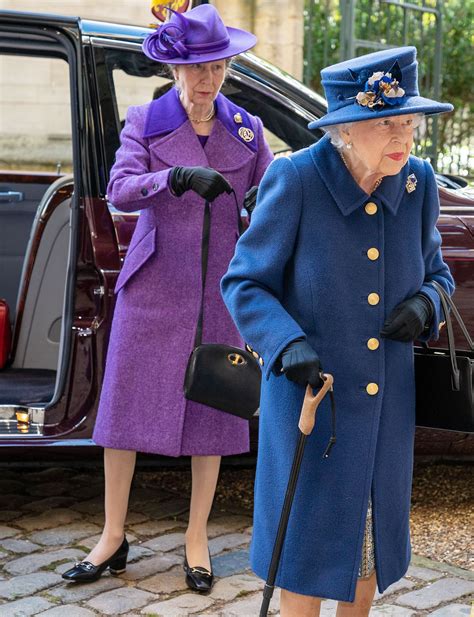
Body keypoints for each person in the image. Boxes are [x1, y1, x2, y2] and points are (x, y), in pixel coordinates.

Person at [221, 46, 454, 616]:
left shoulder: (417, 182)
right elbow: (244, 283)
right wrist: (286, 343)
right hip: (313, 402)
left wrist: (426, 305)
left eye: (409, 122)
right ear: (345, 131)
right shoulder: (296, 179)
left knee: (369, 553)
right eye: (386, 124)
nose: (403, 137)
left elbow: (440, 274)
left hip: (384, 412)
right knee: (304, 549)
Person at [62, 5, 273, 590]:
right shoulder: (144, 122)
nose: (207, 81)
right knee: (123, 417)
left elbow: (274, 194)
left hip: (219, 294)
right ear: (175, 69)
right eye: (196, 69)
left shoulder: (248, 129)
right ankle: (111, 537)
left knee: (213, 413)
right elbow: (120, 190)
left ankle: (197, 539)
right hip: (153, 289)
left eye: (218, 66)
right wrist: (173, 179)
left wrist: (257, 207)